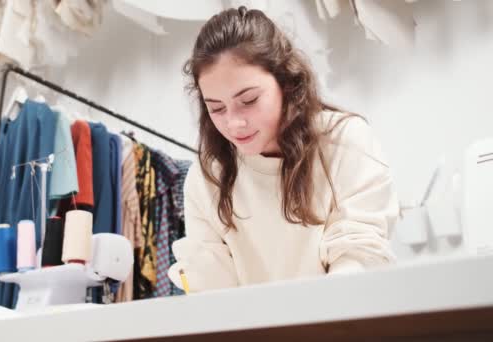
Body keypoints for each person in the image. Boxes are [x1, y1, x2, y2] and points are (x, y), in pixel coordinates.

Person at [168, 6, 400, 293]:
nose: (234, 123)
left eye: (249, 100)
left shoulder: (344, 141)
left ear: (285, 82)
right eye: (216, 108)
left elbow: (359, 257)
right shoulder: (207, 179)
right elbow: (213, 292)